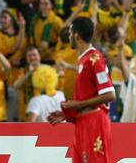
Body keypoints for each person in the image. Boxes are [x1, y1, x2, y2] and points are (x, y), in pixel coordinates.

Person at [47, 18, 116, 163]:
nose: (69, 36)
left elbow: (109, 94)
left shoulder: (94, 59)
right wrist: (68, 113)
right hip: (82, 122)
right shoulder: (83, 60)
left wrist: (77, 105)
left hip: (94, 122)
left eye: (71, 32)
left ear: (77, 36)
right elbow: (86, 95)